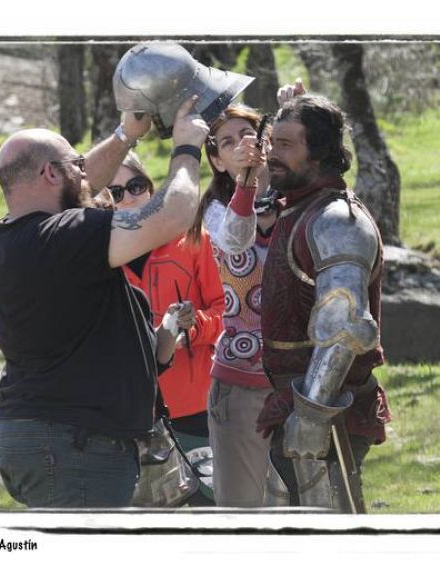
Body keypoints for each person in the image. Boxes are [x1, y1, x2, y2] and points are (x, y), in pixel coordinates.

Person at [0, 97, 209, 508]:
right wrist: (187, 148)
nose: (86, 173)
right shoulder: (71, 235)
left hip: (36, 432)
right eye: (75, 164)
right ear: (51, 173)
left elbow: (77, 187)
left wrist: (126, 136)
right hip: (72, 442)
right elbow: (173, 215)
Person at [255, 94, 391, 512]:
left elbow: (344, 327)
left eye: (286, 145)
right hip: (299, 404)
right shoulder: (299, 209)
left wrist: (313, 418)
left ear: (320, 155)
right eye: (272, 142)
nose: (271, 154)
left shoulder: (335, 221)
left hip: (329, 413)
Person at [110, 150, 225, 504]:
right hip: (129, 415)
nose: (128, 197)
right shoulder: (95, 255)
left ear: (150, 187)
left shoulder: (192, 238)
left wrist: (192, 328)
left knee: (213, 517)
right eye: (115, 192)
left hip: (195, 410)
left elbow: (227, 314)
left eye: (135, 185)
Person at [186, 104, 275, 508]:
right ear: (218, 162)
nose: (241, 145)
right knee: (242, 513)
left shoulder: (296, 197)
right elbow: (238, 239)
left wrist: (295, 110)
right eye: (227, 142)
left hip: (303, 379)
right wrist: (248, 182)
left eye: (248, 134)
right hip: (241, 383)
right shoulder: (216, 210)